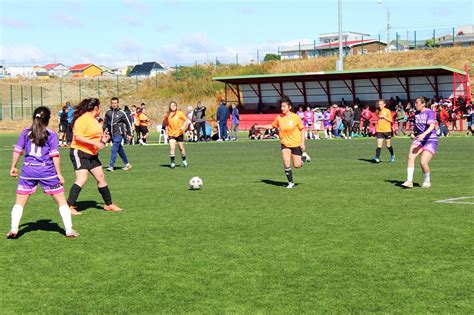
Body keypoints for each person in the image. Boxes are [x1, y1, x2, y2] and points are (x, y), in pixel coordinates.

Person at [7, 106, 79, 238]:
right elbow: (55, 155)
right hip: (47, 172)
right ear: (48, 119)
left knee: (19, 202)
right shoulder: (51, 134)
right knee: (61, 202)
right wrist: (59, 174)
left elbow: (17, 150)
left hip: (28, 171)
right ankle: (69, 230)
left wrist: (13, 166)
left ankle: (14, 229)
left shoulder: (25, 132)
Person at [67, 98, 122, 214]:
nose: (100, 110)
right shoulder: (82, 119)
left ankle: (109, 204)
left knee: (101, 177)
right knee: (82, 178)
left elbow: (95, 136)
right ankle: (69, 206)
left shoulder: (94, 120)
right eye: (99, 107)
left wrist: (103, 139)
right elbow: (78, 137)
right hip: (79, 152)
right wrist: (95, 143)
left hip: (92, 153)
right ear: (95, 108)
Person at [256, 96, 308, 189]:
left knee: (297, 165)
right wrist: (260, 126)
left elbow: (302, 129)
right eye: (281, 106)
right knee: (286, 163)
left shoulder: (296, 117)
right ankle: (290, 183)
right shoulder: (279, 117)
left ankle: (304, 158)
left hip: (296, 144)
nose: (282, 108)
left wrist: (303, 142)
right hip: (285, 144)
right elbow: (272, 126)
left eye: (284, 106)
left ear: (289, 107)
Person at [401, 97, 438, 188]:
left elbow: (432, 126)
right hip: (420, 139)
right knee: (410, 156)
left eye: (417, 103)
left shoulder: (429, 112)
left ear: (423, 104)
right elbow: (416, 126)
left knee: (423, 163)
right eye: (415, 102)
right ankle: (409, 181)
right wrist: (413, 133)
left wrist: (424, 134)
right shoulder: (416, 113)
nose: (415, 104)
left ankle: (427, 180)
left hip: (430, 140)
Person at [103, 97, 133, 172]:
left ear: (118, 103)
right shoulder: (108, 112)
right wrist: (103, 131)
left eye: (115, 103)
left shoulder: (122, 113)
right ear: (111, 103)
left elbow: (128, 123)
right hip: (112, 135)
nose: (114, 104)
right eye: (113, 103)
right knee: (120, 149)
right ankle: (127, 164)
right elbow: (105, 123)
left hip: (119, 134)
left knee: (114, 149)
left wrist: (130, 133)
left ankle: (111, 166)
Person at [165, 101, 190, 168]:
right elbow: (166, 125)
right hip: (171, 134)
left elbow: (187, 120)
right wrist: (166, 134)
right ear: (169, 107)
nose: (173, 106)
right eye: (171, 105)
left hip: (179, 133)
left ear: (176, 106)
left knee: (181, 148)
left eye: (174, 105)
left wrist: (184, 127)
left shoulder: (179, 113)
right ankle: (173, 163)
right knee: (172, 148)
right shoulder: (167, 115)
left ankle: (184, 161)